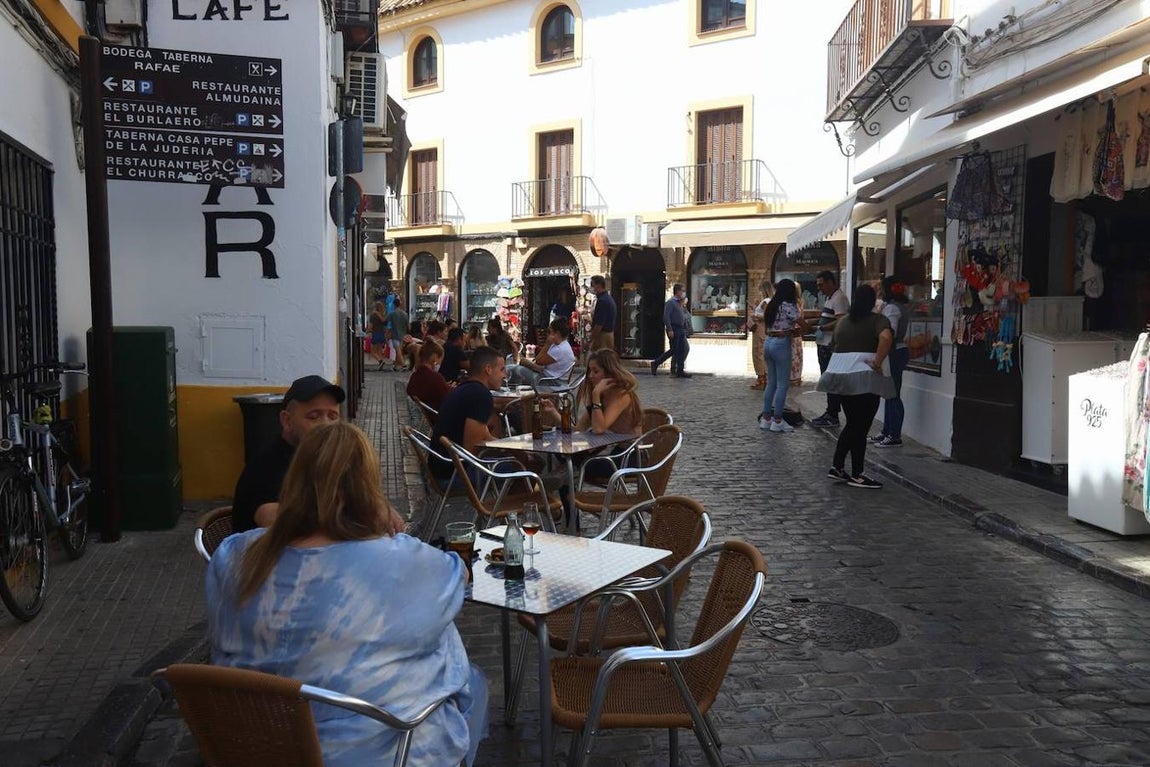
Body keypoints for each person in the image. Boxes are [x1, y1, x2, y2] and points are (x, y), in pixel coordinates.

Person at [207, 423, 488, 767]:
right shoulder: (403, 562)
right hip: (374, 753)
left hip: (255, 748)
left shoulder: (233, 555)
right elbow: (458, 575)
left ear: (292, 482)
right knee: (466, 669)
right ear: (368, 487)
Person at [231, 375, 344, 533]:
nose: (326, 425)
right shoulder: (266, 465)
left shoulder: (328, 458)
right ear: (287, 421)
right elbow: (271, 518)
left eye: (333, 417)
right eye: (314, 416)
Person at [817, 284, 893, 489]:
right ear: (871, 301)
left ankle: (837, 466)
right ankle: (857, 474)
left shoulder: (842, 322)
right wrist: (877, 361)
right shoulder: (878, 320)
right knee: (861, 427)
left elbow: (833, 345)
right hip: (865, 378)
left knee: (852, 424)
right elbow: (886, 338)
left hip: (841, 377)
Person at [429, 346, 506, 479]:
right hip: (455, 474)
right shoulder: (480, 394)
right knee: (525, 465)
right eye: (502, 369)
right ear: (488, 369)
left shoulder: (466, 389)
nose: (504, 375)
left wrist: (509, 447)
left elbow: (485, 436)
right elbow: (471, 450)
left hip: (441, 467)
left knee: (521, 459)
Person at [757, 279, 805, 433]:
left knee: (771, 382)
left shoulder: (772, 304)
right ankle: (777, 420)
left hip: (769, 342)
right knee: (783, 384)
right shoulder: (789, 305)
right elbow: (801, 324)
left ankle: (766, 418)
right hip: (781, 344)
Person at [870, 276, 910, 447]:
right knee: (889, 393)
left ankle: (894, 434)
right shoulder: (898, 306)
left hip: (894, 352)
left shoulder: (892, 308)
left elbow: (889, 332)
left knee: (892, 393)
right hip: (897, 351)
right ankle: (887, 430)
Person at [810, 271, 851, 428]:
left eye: (821, 284)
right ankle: (830, 411)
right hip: (824, 343)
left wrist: (821, 327)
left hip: (830, 345)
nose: (820, 288)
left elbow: (841, 320)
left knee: (831, 380)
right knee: (827, 379)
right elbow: (827, 317)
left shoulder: (839, 298)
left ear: (830, 282)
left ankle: (833, 414)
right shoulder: (831, 298)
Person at [505, 318, 576, 386]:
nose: (548, 335)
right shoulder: (561, 345)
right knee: (514, 368)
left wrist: (547, 344)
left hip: (550, 381)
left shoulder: (560, 349)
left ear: (557, 333)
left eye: (550, 332)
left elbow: (538, 361)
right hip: (547, 377)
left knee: (512, 369)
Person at [650, 283, 692, 378]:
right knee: (674, 350)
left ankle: (680, 370)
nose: (684, 293)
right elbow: (666, 316)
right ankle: (656, 363)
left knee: (684, 348)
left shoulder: (679, 303)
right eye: (682, 291)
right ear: (677, 292)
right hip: (674, 328)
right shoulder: (670, 302)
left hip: (680, 329)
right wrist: (670, 329)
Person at [406, 340, 452, 411]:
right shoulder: (436, 378)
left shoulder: (415, 375)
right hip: (438, 413)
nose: (440, 363)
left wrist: (444, 385)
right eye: (440, 360)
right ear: (435, 357)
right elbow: (447, 397)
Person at [747, 280, 773, 390]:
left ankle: (761, 379)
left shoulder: (766, 301)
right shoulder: (766, 301)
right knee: (759, 352)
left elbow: (768, 316)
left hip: (760, 329)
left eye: (760, 289)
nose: (759, 291)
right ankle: (762, 378)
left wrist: (755, 316)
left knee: (758, 352)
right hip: (760, 329)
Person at [589, 275, 616, 352]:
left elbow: (599, 324)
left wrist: (591, 339)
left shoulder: (602, 301)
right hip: (608, 336)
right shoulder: (608, 298)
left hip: (602, 337)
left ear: (599, 285)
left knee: (599, 360)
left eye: (592, 285)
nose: (592, 287)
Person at [386, 297, 410, 372]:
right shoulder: (405, 314)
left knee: (398, 350)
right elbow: (408, 326)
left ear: (394, 305)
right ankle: (395, 366)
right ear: (400, 304)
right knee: (398, 350)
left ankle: (403, 365)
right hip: (402, 335)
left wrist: (387, 333)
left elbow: (387, 323)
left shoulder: (392, 314)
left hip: (395, 334)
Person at [368, 302, 389, 369]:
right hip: (382, 334)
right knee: (379, 350)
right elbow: (385, 324)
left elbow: (371, 326)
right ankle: (380, 364)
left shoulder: (373, 315)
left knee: (373, 351)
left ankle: (380, 361)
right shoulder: (383, 315)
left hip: (375, 333)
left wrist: (368, 331)